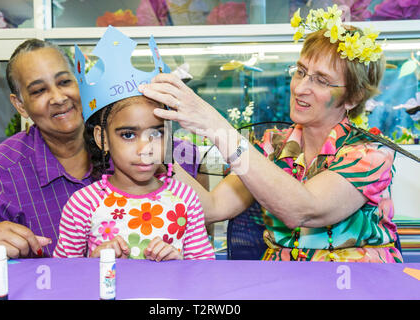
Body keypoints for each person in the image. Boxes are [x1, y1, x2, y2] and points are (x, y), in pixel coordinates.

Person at [139, 6, 403, 263]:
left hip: (356, 285)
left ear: (353, 97)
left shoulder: (370, 155)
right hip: (283, 282)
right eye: (300, 72)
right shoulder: (272, 148)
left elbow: (303, 210)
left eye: (321, 80)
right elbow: (212, 207)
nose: (300, 88)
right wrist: (160, 150)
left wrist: (215, 125)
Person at [0, 39, 204, 261]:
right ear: (20, 104)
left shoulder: (142, 145)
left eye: (64, 82)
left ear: (80, 83)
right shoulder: (0, 169)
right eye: (39, 91)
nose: (58, 98)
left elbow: (195, 160)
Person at [53, 27, 214, 260]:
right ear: (103, 139)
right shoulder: (82, 205)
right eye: (128, 135)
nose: (145, 149)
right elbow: (63, 277)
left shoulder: (185, 198)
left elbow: (205, 271)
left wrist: (180, 263)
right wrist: (91, 263)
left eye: (156, 134)